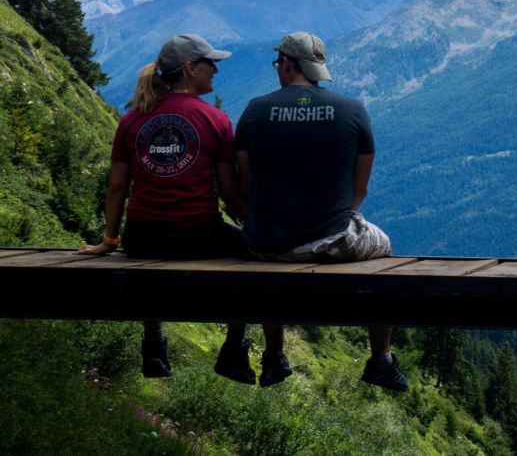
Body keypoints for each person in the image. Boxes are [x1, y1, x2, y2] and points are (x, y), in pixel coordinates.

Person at [230, 31, 407, 390]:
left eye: (278, 62)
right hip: (330, 241)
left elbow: (245, 186)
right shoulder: (352, 110)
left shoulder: (254, 109)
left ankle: (274, 355)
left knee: (269, 265)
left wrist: (274, 218)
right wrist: (334, 217)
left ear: (288, 64)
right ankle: (381, 360)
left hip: (264, 241)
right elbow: (360, 189)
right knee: (384, 248)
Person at [76, 34, 253, 381]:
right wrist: (254, 229)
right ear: (189, 69)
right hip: (199, 236)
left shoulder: (132, 119)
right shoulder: (216, 120)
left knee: (148, 257)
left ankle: (153, 344)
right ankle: (234, 349)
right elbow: (230, 193)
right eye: (209, 63)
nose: (215, 70)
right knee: (252, 260)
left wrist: (110, 241)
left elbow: (116, 186)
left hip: (141, 237)